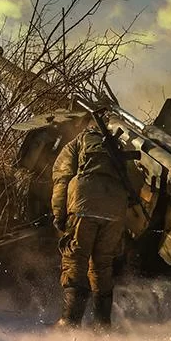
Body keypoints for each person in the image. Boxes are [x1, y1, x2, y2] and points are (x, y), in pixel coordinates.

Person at [50, 125, 132, 328]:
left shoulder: (75, 144)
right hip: (115, 208)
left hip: (84, 203)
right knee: (102, 265)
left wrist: (59, 215)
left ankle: (69, 322)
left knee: (75, 259)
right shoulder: (117, 147)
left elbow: (62, 179)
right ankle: (102, 325)